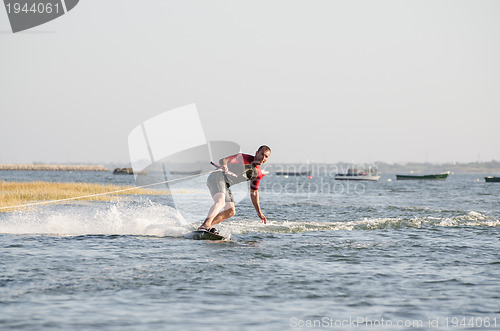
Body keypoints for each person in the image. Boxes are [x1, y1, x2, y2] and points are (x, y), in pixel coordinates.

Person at [198, 145, 271, 232]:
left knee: (230, 211)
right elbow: (223, 160)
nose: (263, 158)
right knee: (221, 202)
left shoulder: (258, 174)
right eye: (262, 154)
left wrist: (259, 212)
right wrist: (224, 165)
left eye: (266, 156)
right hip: (217, 177)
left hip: (225, 185)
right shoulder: (243, 157)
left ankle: (205, 226)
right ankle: (205, 226)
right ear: (256, 153)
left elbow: (254, 193)